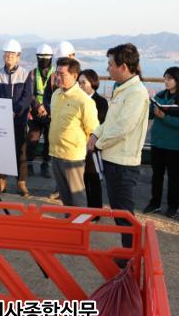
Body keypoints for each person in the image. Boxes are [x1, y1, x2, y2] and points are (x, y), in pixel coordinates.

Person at [87, 43, 149, 251]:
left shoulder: (136, 93)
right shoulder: (122, 89)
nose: (108, 68)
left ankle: (130, 257)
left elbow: (123, 127)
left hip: (123, 163)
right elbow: (111, 122)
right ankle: (128, 254)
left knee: (124, 215)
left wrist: (99, 143)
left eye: (111, 64)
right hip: (113, 159)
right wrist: (96, 134)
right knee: (119, 212)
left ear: (123, 67)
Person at [144, 67, 179, 218]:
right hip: (157, 143)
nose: (166, 81)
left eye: (169, 78)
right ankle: (155, 203)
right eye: (165, 78)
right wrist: (150, 107)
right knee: (156, 175)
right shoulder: (160, 95)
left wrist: (164, 117)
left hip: (174, 145)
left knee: (173, 177)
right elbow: (150, 115)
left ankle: (173, 206)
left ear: (178, 80)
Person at [49, 58, 99, 207]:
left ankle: (81, 221)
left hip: (72, 156)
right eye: (57, 73)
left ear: (75, 76)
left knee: (77, 197)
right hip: (55, 153)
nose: (58, 77)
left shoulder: (84, 101)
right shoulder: (55, 94)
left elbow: (93, 129)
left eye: (62, 74)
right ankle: (70, 219)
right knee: (65, 196)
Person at [0, 39, 34, 197]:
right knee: (1, 150)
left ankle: (21, 183)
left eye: (12, 54)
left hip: (19, 120)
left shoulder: (25, 74)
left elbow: (27, 96)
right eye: (7, 53)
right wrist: (2, 112)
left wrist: (15, 111)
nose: (9, 56)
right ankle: (1, 181)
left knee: (21, 151)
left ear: (18, 56)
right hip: (1, 120)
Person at [44, 41, 76, 199]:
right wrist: (51, 110)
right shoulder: (54, 77)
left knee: (72, 163)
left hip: (73, 126)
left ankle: (74, 193)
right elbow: (47, 96)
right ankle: (60, 188)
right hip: (57, 122)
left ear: (73, 56)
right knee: (58, 160)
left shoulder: (79, 77)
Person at [78, 69, 108, 211]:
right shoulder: (77, 100)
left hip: (93, 147)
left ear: (93, 83)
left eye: (83, 82)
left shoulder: (101, 102)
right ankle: (84, 208)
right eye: (79, 83)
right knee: (81, 179)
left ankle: (95, 211)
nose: (80, 86)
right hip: (78, 145)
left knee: (93, 179)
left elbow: (99, 124)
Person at [27, 43, 55, 179]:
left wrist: (47, 108)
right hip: (35, 113)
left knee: (49, 141)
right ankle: (29, 164)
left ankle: (45, 165)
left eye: (46, 58)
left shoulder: (56, 75)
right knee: (32, 139)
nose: (43, 60)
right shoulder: (32, 74)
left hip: (51, 114)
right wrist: (38, 106)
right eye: (41, 57)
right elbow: (29, 93)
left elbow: (57, 93)